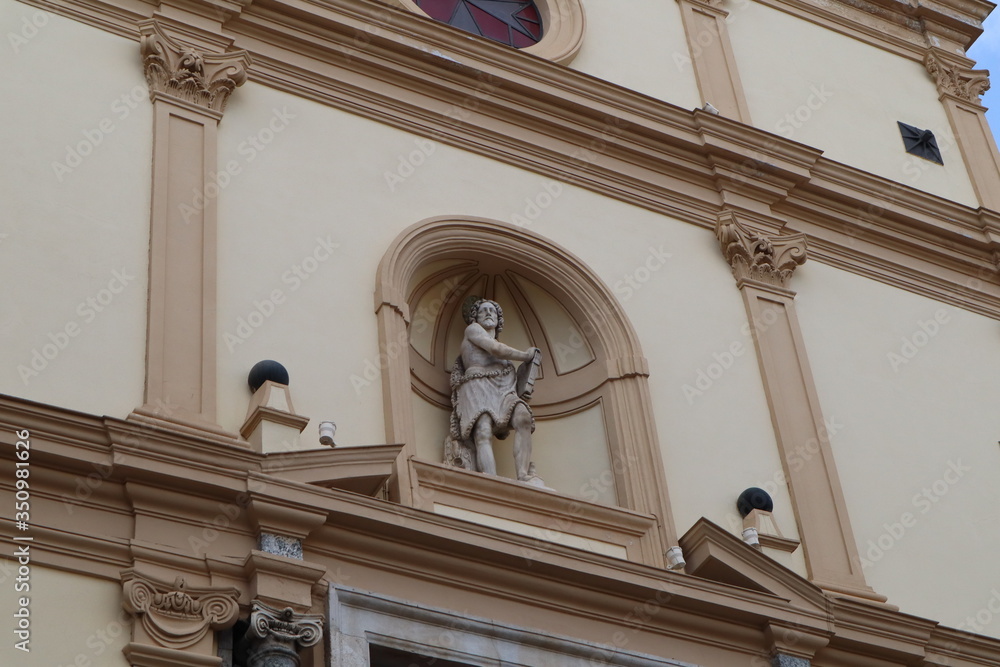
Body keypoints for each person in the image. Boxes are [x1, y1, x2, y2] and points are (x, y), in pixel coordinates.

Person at [446, 298, 544, 486]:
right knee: (483, 430)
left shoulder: (505, 360)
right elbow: (495, 349)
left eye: (493, 310)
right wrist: (525, 356)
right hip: (477, 384)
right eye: (483, 311)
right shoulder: (473, 330)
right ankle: (492, 481)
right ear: (475, 317)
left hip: (502, 390)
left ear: (499, 320)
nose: (489, 313)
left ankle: (523, 475)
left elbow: (508, 369)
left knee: (523, 417)